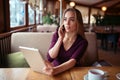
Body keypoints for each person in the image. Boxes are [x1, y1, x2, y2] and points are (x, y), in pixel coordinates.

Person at [42, 8, 88, 76]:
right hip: (54, 71)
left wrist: (56, 70)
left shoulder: (82, 42)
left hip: (72, 73)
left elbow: (72, 62)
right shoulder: (57, 35)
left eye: (72, 20)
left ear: (78, 22)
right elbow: (50, 57)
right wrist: (60, 39)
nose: (67, 23)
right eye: (65, 19)